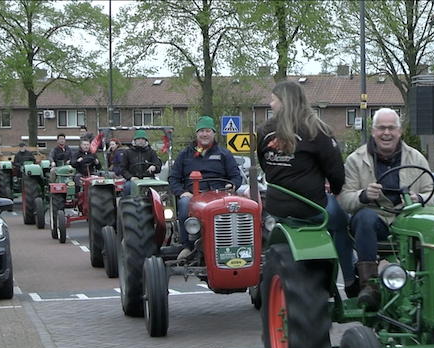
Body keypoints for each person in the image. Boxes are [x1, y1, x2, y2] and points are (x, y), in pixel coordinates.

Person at [256, 80, 355, 295]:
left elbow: (265, 166)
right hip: (312, 207)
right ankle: (349, 278)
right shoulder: (318, 130)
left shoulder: (263, 131)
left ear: (283, 102)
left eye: (273, 101)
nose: (271, 105)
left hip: (276, 207)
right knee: (343, 223)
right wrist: (336, 191)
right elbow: (336, 172)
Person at [340, 108, 434, 308]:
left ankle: (431, 284)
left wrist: (419, 197)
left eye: (391, 128)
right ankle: (369, 286)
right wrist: (364, 195)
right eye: (382, 128)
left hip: (408, 220)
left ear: (400, 131)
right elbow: (345, 199)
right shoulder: (355, 160)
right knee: (364, 217)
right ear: (373, 131)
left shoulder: (416, 158)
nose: (387, 133)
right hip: (376, 222)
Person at [168, 116, 242, 261]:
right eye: (201, 131)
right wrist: (182, 193)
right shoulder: (185, 155)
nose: (205, 134)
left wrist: (232, 185)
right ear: (197, 134)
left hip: (219, 195)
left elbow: (236, 177)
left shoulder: (224, 154)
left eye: (208, 131)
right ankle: (187, 246)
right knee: (184, 205)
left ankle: (232, 243)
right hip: (194, 196)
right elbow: (173, 178)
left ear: (214, 133)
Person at [120, 130, 162, 197]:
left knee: (159, 188)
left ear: (146, 141)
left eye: (143, 139)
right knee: (127, 186)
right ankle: (127, 201)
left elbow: (158, 165)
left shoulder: (151, 152)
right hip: (133, 179)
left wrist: (154, 167)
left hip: (148, 178)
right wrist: (130, 177)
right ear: (135, 140)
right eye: (138, 139)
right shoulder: (128, 153)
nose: (141, 141)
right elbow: (123, 169)